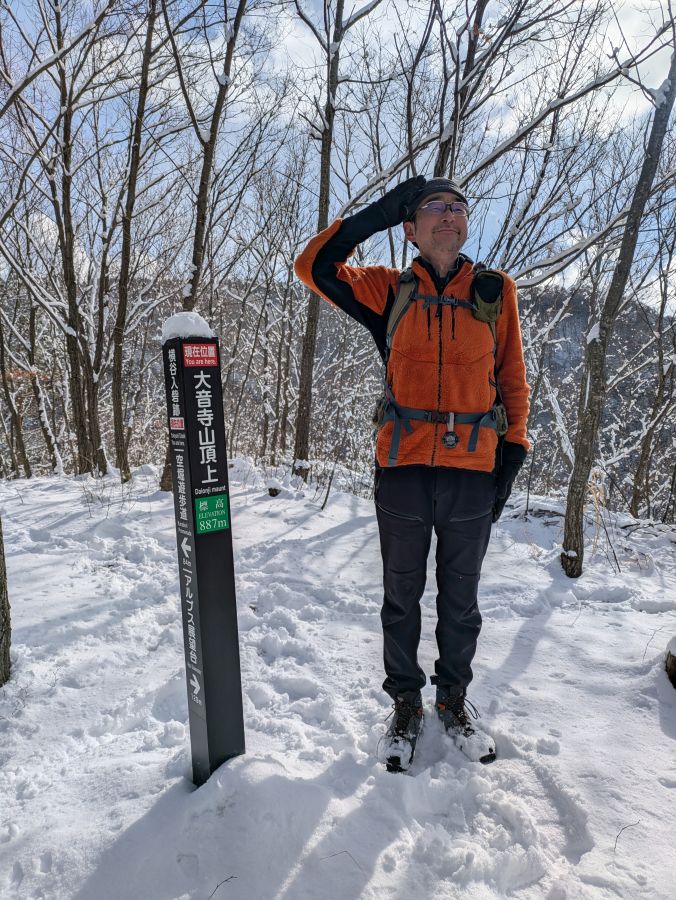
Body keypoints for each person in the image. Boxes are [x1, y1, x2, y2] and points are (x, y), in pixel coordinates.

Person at [294, 177, 530, 770]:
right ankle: (405, 703)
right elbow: (313, 267)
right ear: (411, 227)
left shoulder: (495, 290)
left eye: (458, 207)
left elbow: (512, 378)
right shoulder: (388, 290)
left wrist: (514, 453)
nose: (449, 215)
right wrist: (378, 213)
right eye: (434, 207)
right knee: (400, 596)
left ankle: (452, 700)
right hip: (402, 465)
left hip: (473, 469)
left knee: (461, 599)